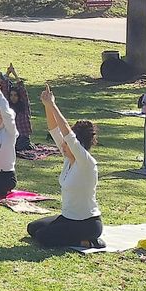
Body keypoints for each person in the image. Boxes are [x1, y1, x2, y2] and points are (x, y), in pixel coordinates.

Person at [27, 83, 103, 248]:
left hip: (87, 224)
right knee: (33, 228)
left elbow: (68, 135)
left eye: (67, 144)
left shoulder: (86, 161)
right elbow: (54, 129)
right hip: (68, 218)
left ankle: (88, 242)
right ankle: (71, 236)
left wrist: (53, 105)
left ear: (78, 144)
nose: (62, 145)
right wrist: (47, 105)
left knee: (43, 237)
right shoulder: (69, 159)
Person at [0, 62, 33, 151]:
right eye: (11, 95)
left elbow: (22, 90)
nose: (13, 97)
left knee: (18, 147)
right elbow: (4, 88)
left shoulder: (24, 107)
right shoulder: (8, 106)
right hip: (11, 137)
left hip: (23, 138)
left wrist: (14, 73)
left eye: (15, 95)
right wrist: (7, 73)